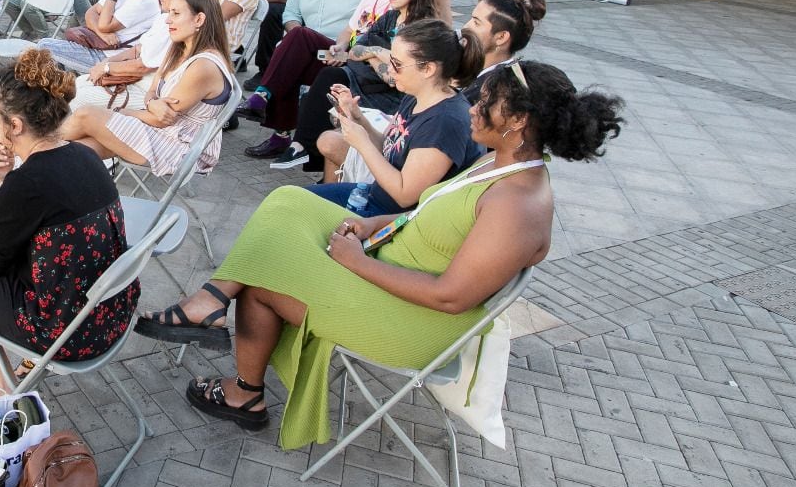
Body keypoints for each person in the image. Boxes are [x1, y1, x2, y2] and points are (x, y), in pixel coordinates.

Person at [133, 59, 623, 446]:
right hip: (395, 268)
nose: (473, 107)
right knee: (288, 201)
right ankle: (213, 301)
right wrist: (375, 224)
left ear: (517, 120)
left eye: (486, 102)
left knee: (263, 279)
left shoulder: (518, 204)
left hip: (415, 321)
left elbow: (452, 297)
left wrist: (359, 262)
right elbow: (432, 216)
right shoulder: (501, 162)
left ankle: (243, 389)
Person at [0, 49, 131, 392]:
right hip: (110, 316)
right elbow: (33, 220)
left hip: (64, 335)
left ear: (15, 125)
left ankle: (3, 385)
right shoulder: (84, 155)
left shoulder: (27, 183)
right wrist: (5, 179)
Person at [249, 0, 432, 170]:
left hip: (383, 92)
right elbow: (355, 49)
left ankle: (296, 142)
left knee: (322, 77)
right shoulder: (391, 16)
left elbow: (393, 78)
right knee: (302, 54)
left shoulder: (422, 28)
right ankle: (294, 141)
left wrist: (370, 53)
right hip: (356, 70)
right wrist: (377, 53)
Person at [62, 0, 237, 177]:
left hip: (179, 147)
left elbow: (161, 119)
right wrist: (153, 103)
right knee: (75, 151)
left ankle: (36, 147)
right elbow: (152, 92)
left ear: (199, 19)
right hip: (157, 132)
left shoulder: (203, 66)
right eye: (170, 12)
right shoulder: (178, 48)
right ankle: (45, 169)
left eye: (176, 14)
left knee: (86, 114)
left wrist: (120, 111)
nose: (168, 19)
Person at [240, 0, 398, 139]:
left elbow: (390, 58)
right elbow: (349, 30)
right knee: (295, 44)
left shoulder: (397, 5)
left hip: (363, 67)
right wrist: (340, 47)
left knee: (295, 52)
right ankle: (271, 114)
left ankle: (272, 116)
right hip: (346, 54)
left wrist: (352, 53)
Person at [311, 15, 476, 203]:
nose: (388, 69)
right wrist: (359, 119)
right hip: (377, 196)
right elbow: (387, 148)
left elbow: (404, 196)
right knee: (290, 198)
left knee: (293, 202)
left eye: (397, 64)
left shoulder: (444, 123)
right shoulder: (416, 96)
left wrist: (362, 143)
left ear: (428, 69)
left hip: (390, 213)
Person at [73, 0, 204, 111]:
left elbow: (143, 67)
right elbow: (138, 49)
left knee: (78, 96)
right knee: (78, 83)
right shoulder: (164, 18)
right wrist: (106, 62)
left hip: (145, 89)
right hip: (134, 78)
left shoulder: (176, 27)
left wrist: (106, 67)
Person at [459, 0, 545, 103]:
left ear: (501, 37)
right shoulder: (477, 69)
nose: (465, 27)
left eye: (476, 23)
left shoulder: (493, 93)